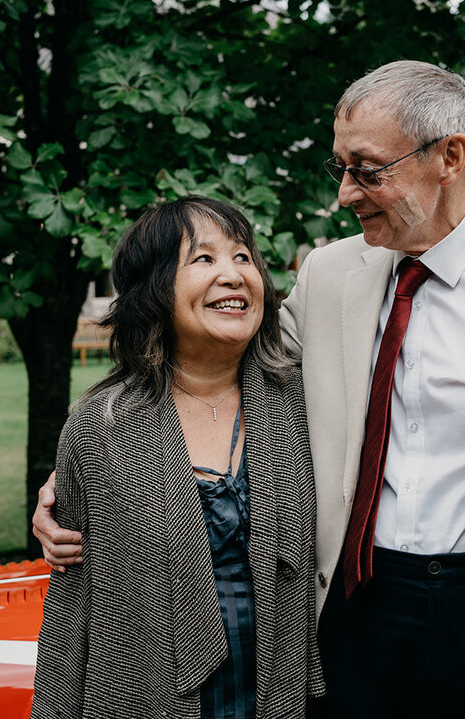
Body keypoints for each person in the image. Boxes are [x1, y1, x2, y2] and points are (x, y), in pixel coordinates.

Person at [36, 61, 465, 718]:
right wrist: (79, 482)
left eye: (366, 169)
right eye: (339, 167)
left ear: (449, 157)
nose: (345, 193)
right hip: (355, 620)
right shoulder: (330, 275)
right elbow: (213, 364)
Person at [30, 197, 323, 719]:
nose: (233, 275)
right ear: (155, 289)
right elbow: (72, 608)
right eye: (204, 259)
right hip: (147, 697)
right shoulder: (102, 428)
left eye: (243, 257)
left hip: (281, 695)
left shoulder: (306, 405)